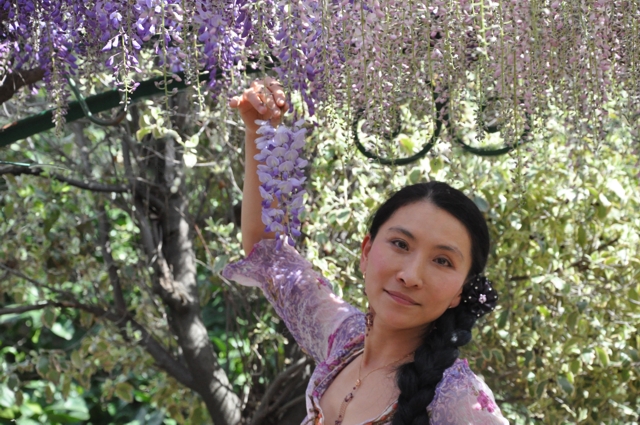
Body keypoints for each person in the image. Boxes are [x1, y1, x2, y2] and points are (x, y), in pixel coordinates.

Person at [223, 77, 509, 425]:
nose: (410, 275)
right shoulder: (343, 338)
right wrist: (260, 131)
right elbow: (269, 254)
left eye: (442, 261)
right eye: (400, 244)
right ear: (366, 251)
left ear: (460, 293)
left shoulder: (459, 399)